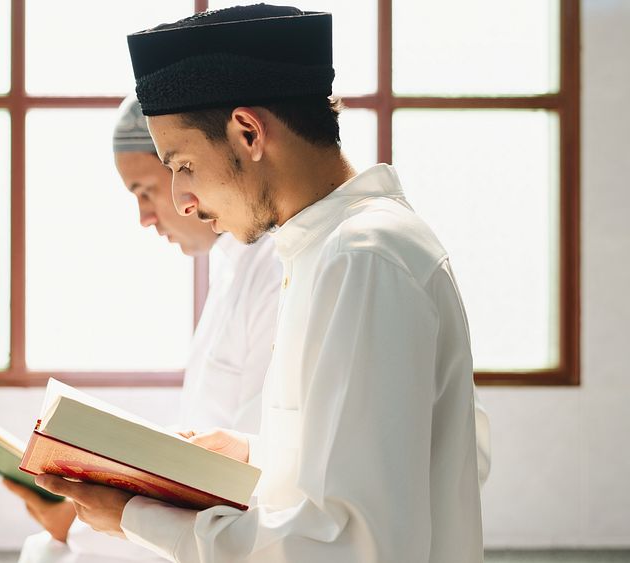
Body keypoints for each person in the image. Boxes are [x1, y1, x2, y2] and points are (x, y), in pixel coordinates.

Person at [36, 5, 491, 562]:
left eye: (181, 164)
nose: (181, 199)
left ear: (248, 132)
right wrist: (257, 453)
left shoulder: (363, 258)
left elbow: (350, 544)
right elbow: (415, 458)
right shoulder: (330, 250)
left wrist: (136, 518)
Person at [5, 95, 282, 563]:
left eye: (146, 191)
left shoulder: (274, 270)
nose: (148, 216)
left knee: (56, 550)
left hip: (233, 530)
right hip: (205, 521)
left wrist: (100, 520)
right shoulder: (232, 268)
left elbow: (253, 475)